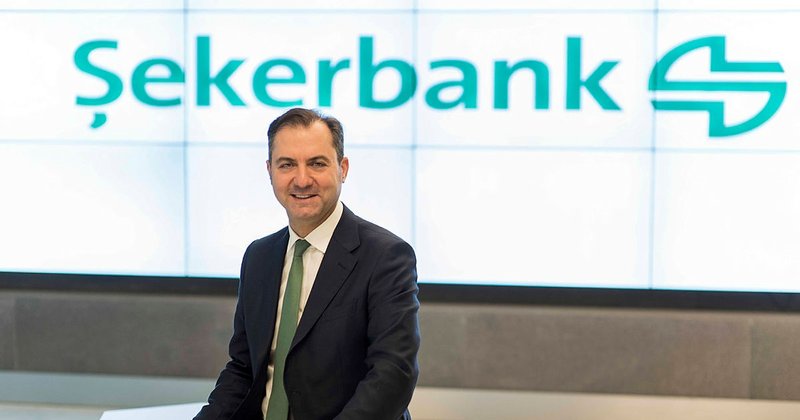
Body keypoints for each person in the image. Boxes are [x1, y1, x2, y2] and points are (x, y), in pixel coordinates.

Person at [195, 108, 421, 420]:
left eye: (317, 163)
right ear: (270, 171)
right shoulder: (258, 257)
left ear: (342, 168)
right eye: (287, 164)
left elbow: (393, 375)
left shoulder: (386, 256)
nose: (302, 180)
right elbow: (243, 370)